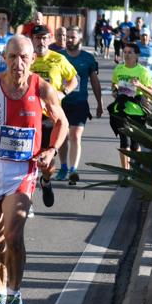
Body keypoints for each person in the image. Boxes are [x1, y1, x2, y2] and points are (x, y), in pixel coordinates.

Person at [0, 35, 67, 304]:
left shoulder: (42, 88)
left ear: (32, 59)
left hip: (22, 170)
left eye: (23, 57)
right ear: (4, 58)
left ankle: (15, 294)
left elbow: (61, 121)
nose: (17, 63)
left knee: (13, 235)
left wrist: (51, 150)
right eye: (12, 57)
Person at [29, 24, 78, 209]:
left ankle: (46, 181)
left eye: (44, 38)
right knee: (29, 160)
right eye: (37, 38)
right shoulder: (26, 59)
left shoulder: (58, 59)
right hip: (28, 116)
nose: (40, 41)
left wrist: (63, 93)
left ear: (49, 39)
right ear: (32, 40)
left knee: (48, 165)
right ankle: (28, 201)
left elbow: (73, 79)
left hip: (51, 117)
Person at [57, 26, 104, 185]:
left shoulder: (88, 58)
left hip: (79, 103)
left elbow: (95, 82)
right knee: (62, 137)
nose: (69, 40)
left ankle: (73, 170)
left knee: (75, 135)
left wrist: (99, 103)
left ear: (80, 39)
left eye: (73, 37)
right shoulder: (59, 56)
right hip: (61, 103)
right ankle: (63, 166)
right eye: (67, 37)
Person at [109, 41, 152, 174]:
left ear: (137, 55)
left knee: (135, 144)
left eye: (130, 52)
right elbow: (114, 85)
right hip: (122, 109)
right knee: (125, 142)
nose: (127, 55)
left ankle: (137, 171)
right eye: (125, 52)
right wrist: (115, 91)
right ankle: (126, 173)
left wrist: (140, 85)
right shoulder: (119, 69)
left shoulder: (142, 71)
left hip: (138, 110)